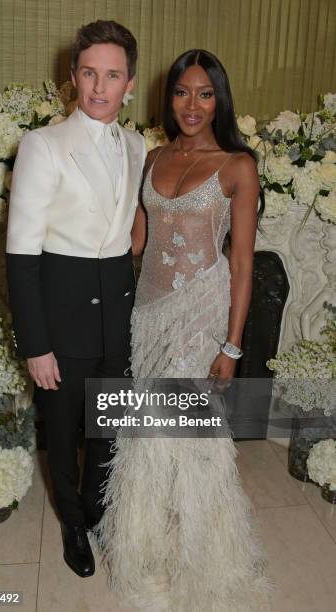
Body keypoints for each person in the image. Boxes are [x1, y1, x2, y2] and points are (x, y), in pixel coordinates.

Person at [95, 50, 271, 610]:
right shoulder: (150, 158)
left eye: (204, 94)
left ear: (219, 99)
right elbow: (136, 245)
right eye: (181, 93)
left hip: (201, 315)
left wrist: (232, 345)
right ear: (166, 98)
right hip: (147, 315)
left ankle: (203, 552)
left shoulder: (238, 165)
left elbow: (242, 263)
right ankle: (147, 540)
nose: (191, 105)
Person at [5, 20, 146, 578]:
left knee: (106, 427)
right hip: (62, 319)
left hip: (118, 311)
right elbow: (21, 256)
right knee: (62, 435)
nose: (99, 86)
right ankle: (71, 523)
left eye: (112, 75)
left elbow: (127, 228)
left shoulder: (137, 146)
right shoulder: (43, 145)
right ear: (73, 76)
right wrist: (35, 345)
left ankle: (96, 510)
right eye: (89, 72)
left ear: (129, 83)